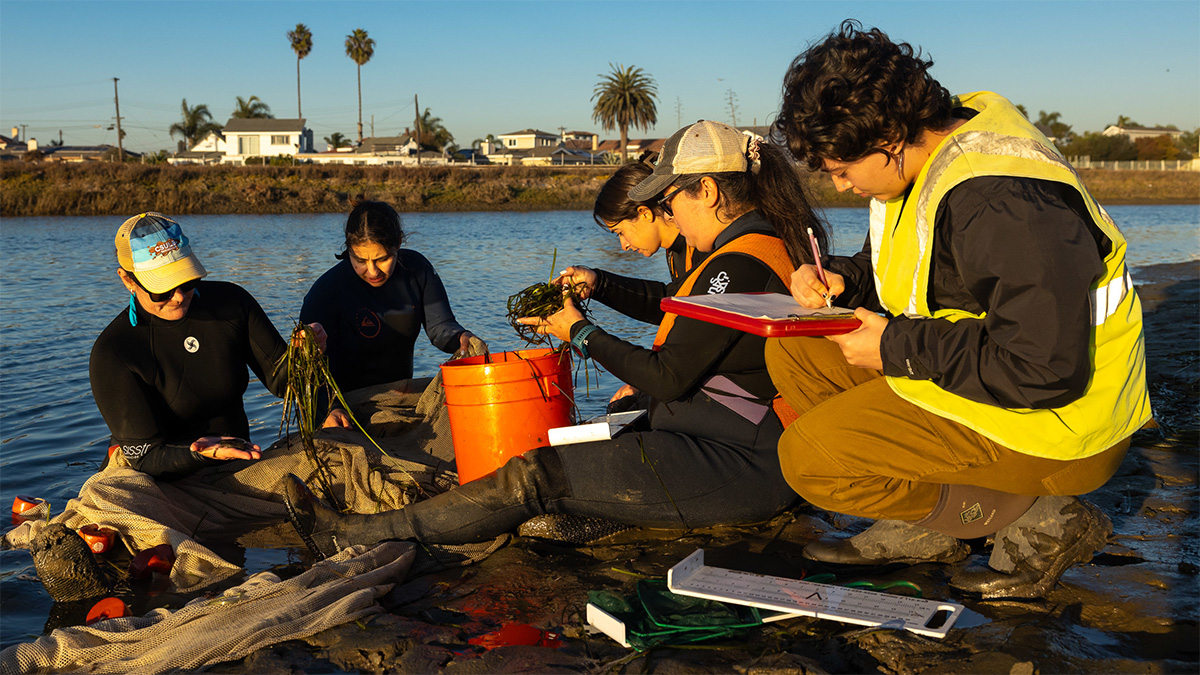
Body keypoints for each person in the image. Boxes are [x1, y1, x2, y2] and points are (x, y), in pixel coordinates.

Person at [282, 121, 828, 556]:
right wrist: (600, 298)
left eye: (672, 202)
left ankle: (357, 535)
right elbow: (684, 331)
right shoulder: (745, 252)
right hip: (720, 441)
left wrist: (578, 331)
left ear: (707, 191)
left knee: (532, 476)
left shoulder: (737, 264)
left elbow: (669, 375)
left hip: (738, 462)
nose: (670, 218)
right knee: (555, 489)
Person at [765, 21, 1151, 600]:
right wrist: (842, 276)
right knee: (795, 347)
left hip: (1059, 424)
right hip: (991, 381)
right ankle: (928, 516)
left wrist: (894, 346)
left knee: (809, 459)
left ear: (888, 136)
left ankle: (1035, 518)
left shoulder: (1001, 201)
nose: (841, 187)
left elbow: (1042, 367)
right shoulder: (928, 155)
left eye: (841, 170)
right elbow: (914, 266)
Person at [89, 212, 338, 481]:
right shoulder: (114, 351)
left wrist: (305, 355)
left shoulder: (232, 303)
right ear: (128, 280)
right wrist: (199, 454)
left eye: (186, 282)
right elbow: (145, 457)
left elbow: (283, 383)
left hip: (240, 462)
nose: (178, 297)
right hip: (159, 478)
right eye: (161, 289)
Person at [299, 200, 483, 407]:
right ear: (348, 249)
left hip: (403, 398)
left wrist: (461, 337)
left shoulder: (417, 270)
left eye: (382, 259)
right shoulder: (326, 291)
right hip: (344, 404)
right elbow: (307, 372)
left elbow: (440, 327)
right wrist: (329, 411)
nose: (372, 271)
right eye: (360, 260)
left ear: (398, 244)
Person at [585, 155, 709, 408]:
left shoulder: (702, 248)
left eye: (620, 232)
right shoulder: (676, 250)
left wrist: (580, 332)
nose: (624, 245)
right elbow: (671, 303)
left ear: (644, 213)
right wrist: (598, 283)